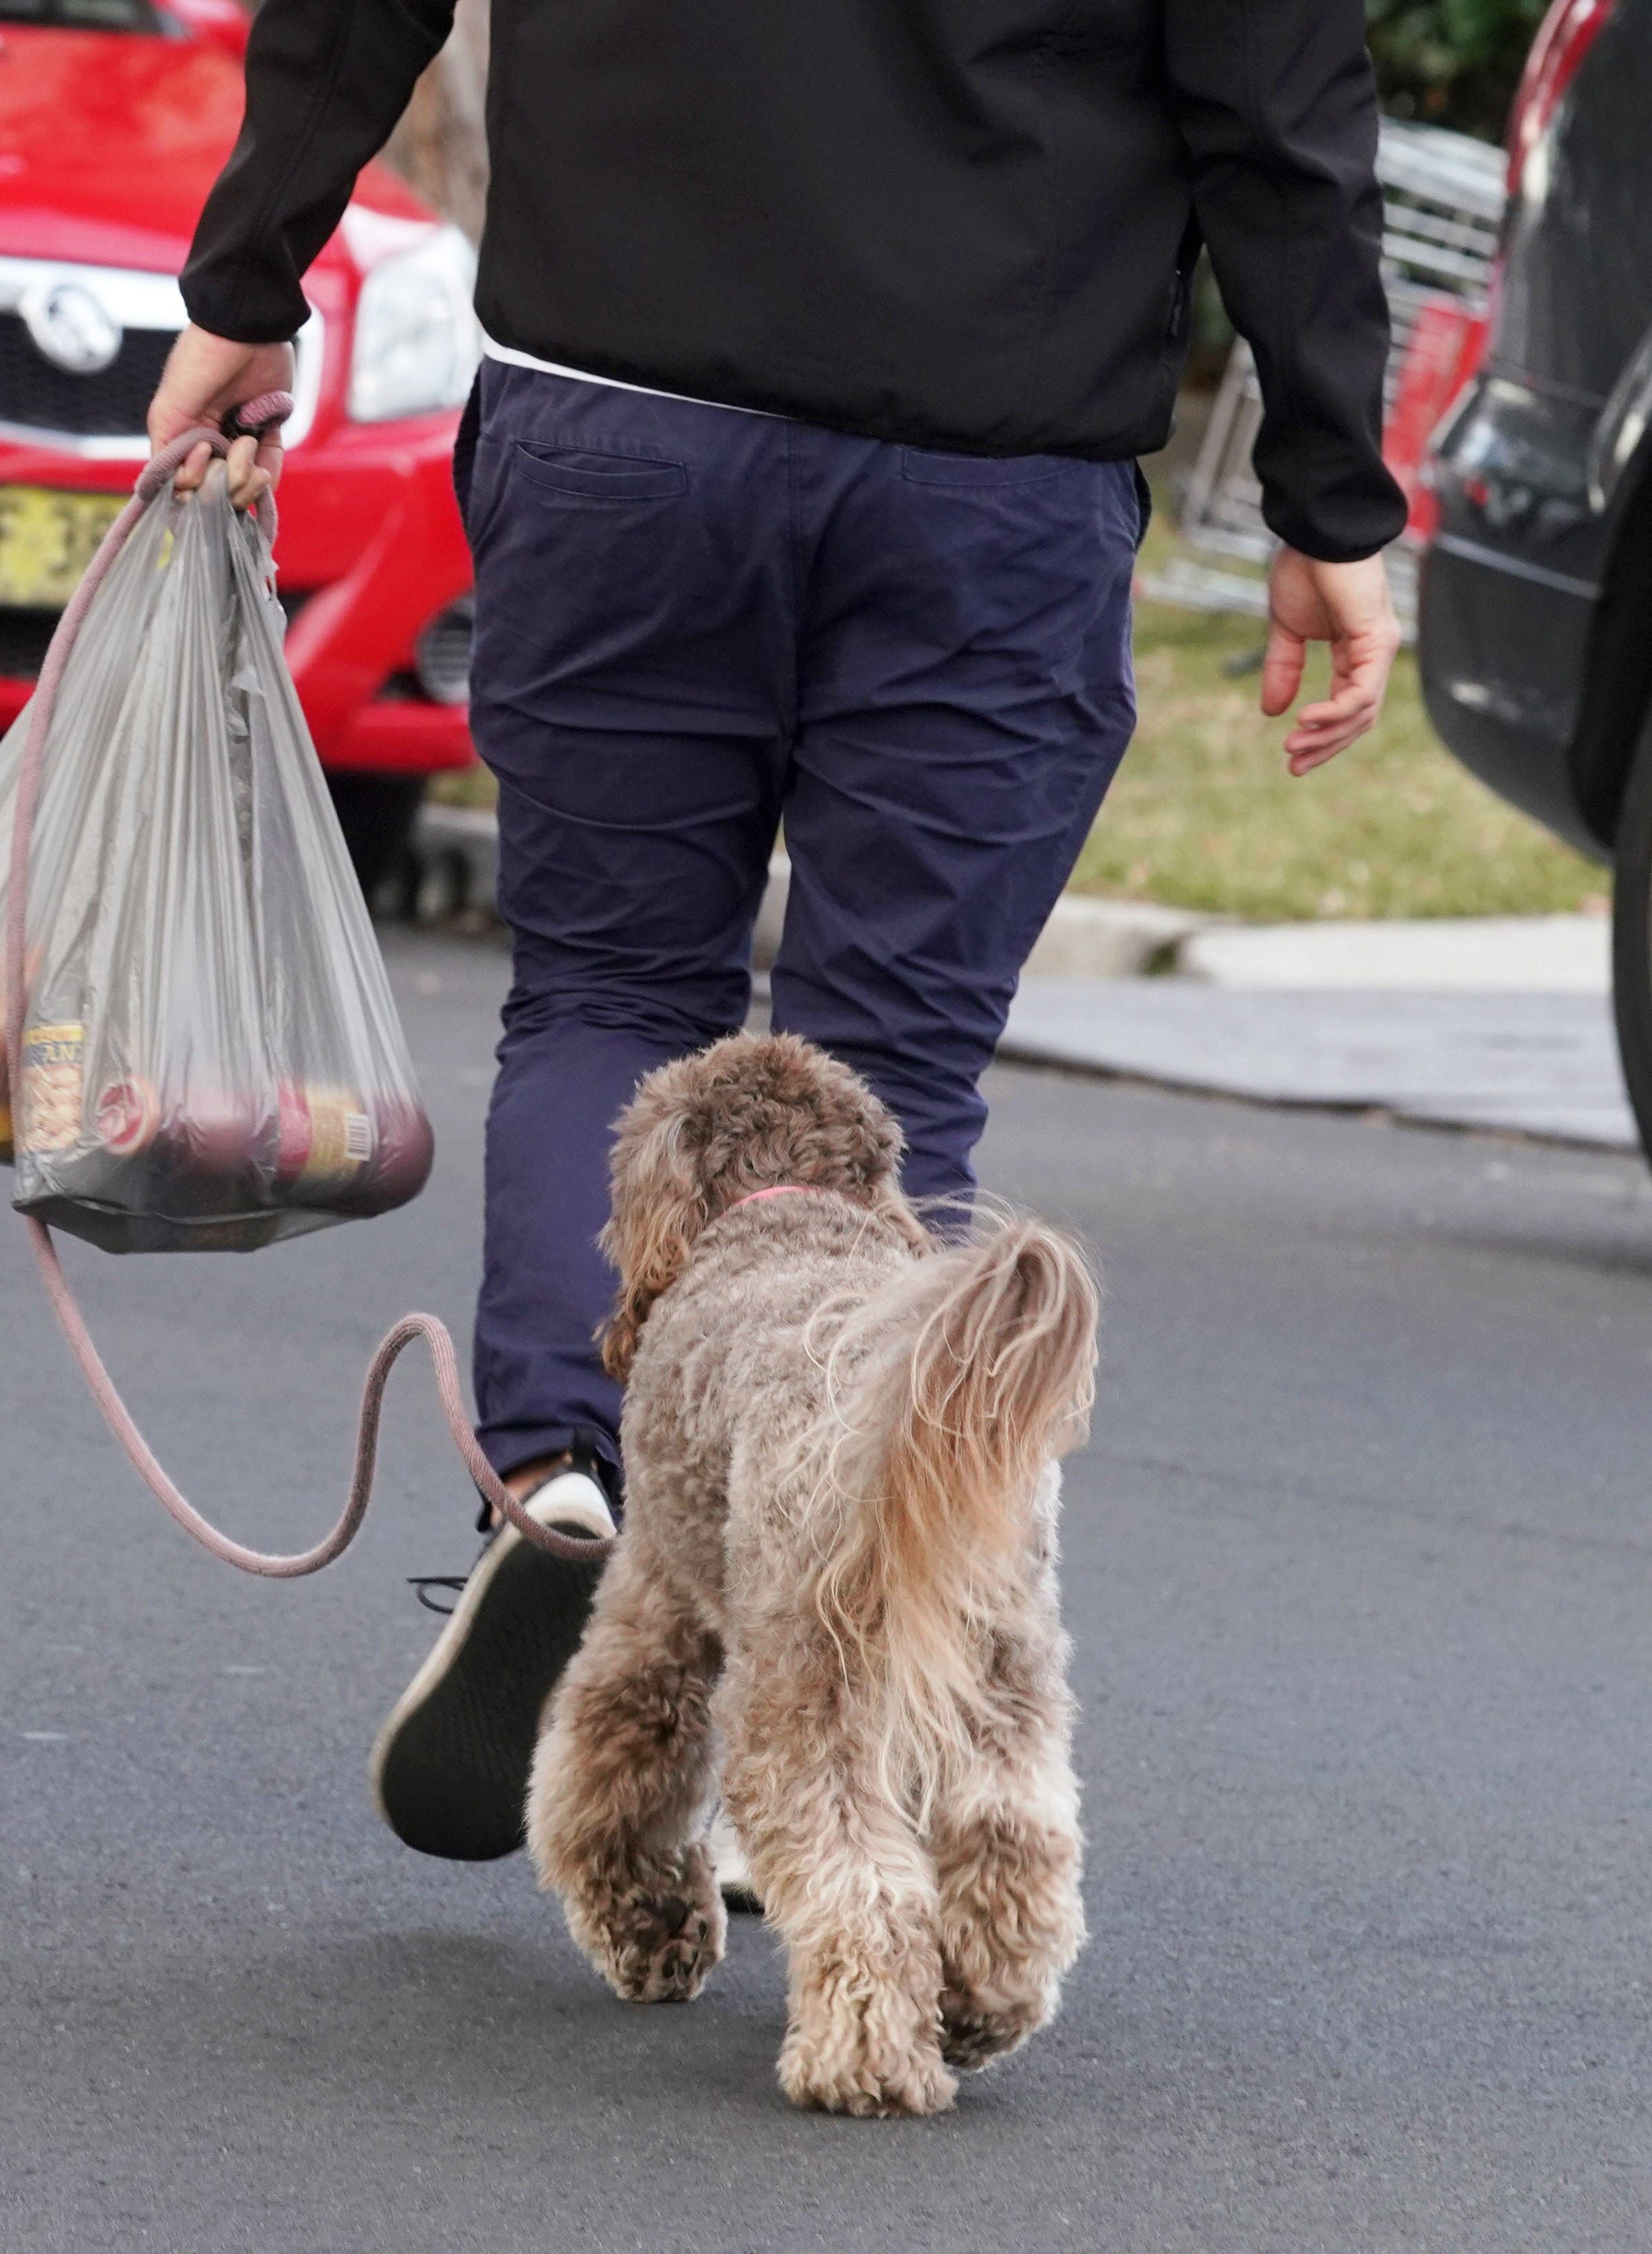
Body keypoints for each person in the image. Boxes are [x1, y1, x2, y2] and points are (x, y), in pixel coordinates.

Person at [150, 0, 1405, 1863]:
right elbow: (1277, 100)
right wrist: (1329, 488)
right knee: (883, 1071)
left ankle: (573, 1481)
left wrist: (251, 275)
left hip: (624, 408)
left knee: (607, 1001)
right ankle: (821, 1690)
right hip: (996, 459)